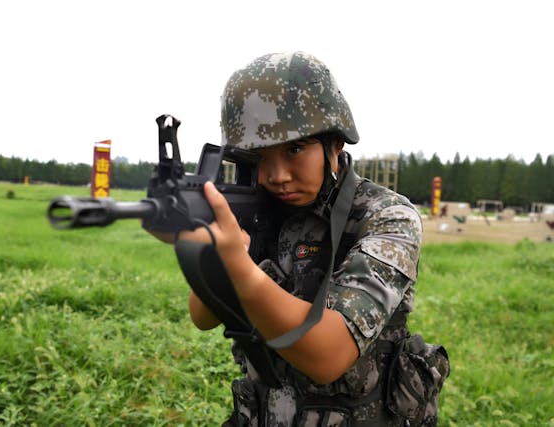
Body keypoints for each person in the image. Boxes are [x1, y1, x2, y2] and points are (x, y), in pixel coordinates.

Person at [150, 51, 449, 426]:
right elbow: (203, 316)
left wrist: (240, 270)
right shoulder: (261, 210)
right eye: (258, 156)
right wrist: (204, 248)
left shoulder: (387, 216)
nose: (277, 175)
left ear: (335, 143)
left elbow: (328, 356)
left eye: (294, 150)